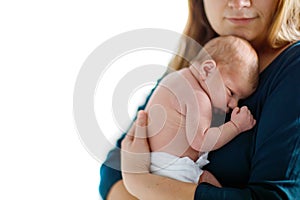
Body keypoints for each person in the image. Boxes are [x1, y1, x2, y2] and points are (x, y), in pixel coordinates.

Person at [100, 0, 300, 199]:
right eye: (231, 93)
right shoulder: (193, 64)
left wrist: (141, 182)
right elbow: (112, 171)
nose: (239, 3)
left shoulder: (293, 68)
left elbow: (274, 197)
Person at [146, 35, 258, 185]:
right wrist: (236, 126)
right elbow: (202, 141)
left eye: (239, 99)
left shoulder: (178, 78)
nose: (234, 105)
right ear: (207, 70)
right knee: (210, 186)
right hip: (172, 167)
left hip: (153, 162)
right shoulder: (198, 96)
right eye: (231, 92)